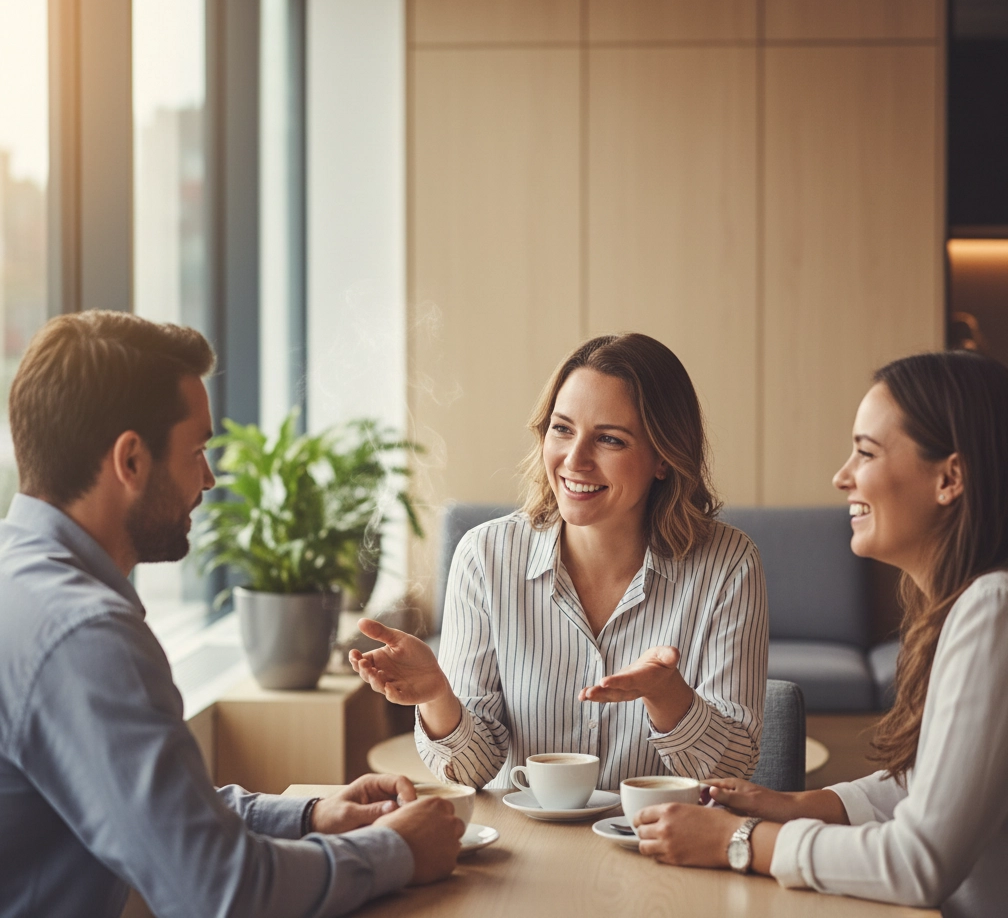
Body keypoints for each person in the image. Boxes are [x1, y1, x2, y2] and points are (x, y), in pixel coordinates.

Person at [0, 311, 464, 918]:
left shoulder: (22, 584)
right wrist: (394, 850)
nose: (210, 478)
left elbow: (161, 811)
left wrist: (310, 815)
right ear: (131, 461)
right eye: (197, 451)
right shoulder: (84, 636)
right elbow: (219, 889)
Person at [632, 351, 1008, 918]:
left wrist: (738, 842)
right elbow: (928, 787)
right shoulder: (977, 604)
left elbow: (920, 861)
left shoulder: (997, 609)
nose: (842, 476)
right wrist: (795, 804)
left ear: (950, 478)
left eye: (865, 452)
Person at [350, 333, 768, 790]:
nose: (574, 459)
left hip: (659, 847)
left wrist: (668, 696)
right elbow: (473, 770)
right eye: (562, 429)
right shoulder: (485, 558)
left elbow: (733, 771)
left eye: (609, 439)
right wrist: (437, 697)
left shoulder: (729, 564)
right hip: (523, 847)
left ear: (664, 458)